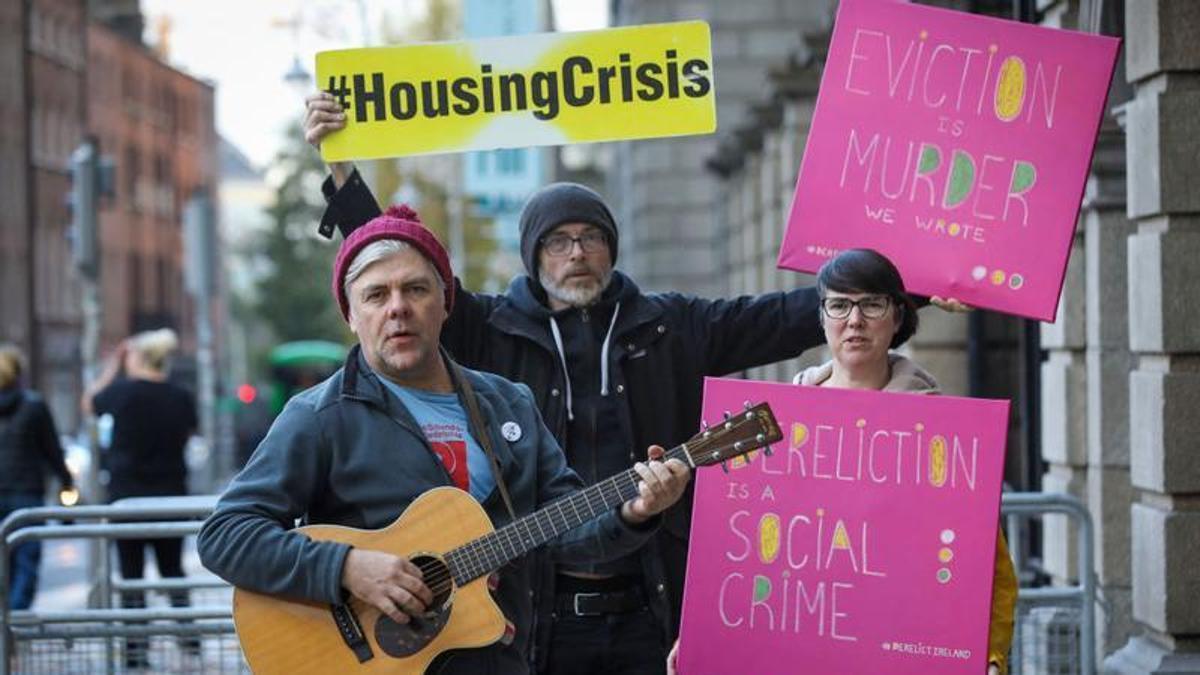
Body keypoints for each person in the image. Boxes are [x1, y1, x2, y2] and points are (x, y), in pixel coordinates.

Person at [304, 94, 969, 674]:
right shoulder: (488, 327)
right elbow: (396, 259)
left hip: (655, 606)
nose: (577, 252)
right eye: (558, 241)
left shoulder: (671, 324)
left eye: (592, 236)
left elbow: (788, 317)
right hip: (531, 612)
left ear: (613, 248)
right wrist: (342, 165)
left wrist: (916, 290)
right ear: (535, 256)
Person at [196, 205, 691, 674]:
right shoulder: (318, 416)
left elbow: (562, 525)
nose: (398, 309)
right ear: (351, 315)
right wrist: (347, 567)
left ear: (445, 303)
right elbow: (226, 536)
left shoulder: (508, 404)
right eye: (376, 295)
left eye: (416, 289)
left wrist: (636, 511)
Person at [667, 248, 1016, 675]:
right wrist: (703, 630)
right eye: (839, 304)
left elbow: (987, 563)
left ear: (898, 317)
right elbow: (737, 553)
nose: (855, 320)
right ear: (822, 317)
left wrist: (991, 656)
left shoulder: (941, 433)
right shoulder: (766, 426)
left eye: (872, 304)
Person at [83, 328, 198, 666]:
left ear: (137, 358)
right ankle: (190, 642)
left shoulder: (120, 392)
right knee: (173, 571)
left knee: (132, 578)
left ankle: (136, 652)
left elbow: (89, 402)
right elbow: (189, 432)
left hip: (127, 500)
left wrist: (111, 366)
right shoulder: (180, 396)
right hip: (170, 499)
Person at [0, 344, 74, 610]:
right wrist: (66, 482)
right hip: (27, 493)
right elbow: (52, 450)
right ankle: (16, 619)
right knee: (26, 561)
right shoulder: (34, 406)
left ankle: (4, 627)